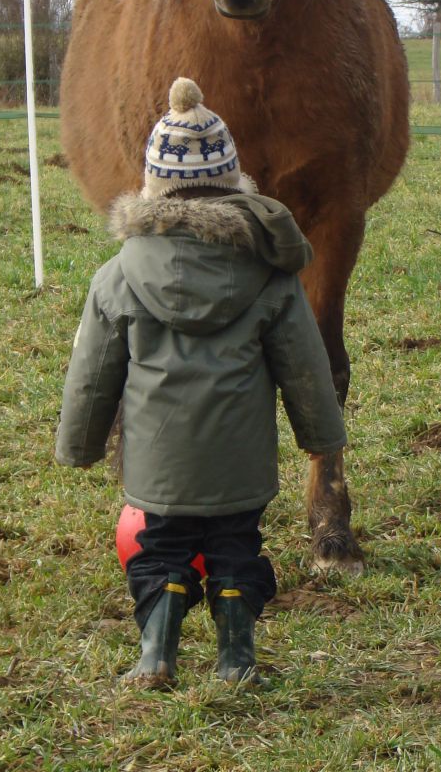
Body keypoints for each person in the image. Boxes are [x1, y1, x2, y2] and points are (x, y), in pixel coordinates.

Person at [55, 77, 347, 688]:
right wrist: (321, 436)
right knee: (236, 550)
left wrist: (79, 446)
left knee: (160, 551)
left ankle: (155, 655)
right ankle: (236, 660)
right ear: (232, 182)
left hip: (157, 466)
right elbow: (305, 366)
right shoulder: (270, 275)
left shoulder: (117, 276)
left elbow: (91, 374)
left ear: (154, 187)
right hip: (241, 464)